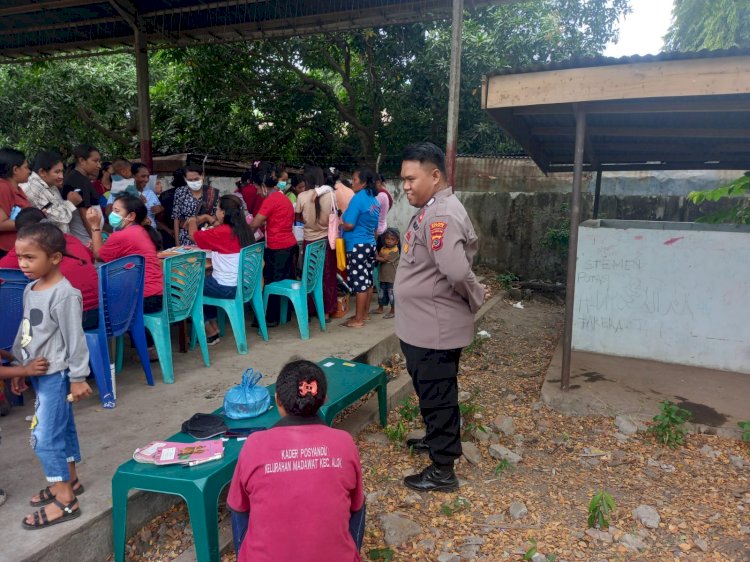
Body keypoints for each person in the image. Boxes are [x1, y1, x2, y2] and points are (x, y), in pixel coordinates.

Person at [394, 142, 486, 492]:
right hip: (421, 326)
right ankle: (435, 439)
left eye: (410, 179)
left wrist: (475, 296)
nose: (405, 186)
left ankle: (443, 468)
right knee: (430, 390)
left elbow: (456, 271)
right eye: (402, 179)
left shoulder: (442, 214)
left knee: (438, 395)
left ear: (435, 176)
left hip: (433, 329)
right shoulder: (432, 208)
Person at [227, 359, 365, 562]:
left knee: (240, 509)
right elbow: (356, 506)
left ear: (277, 400)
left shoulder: (254, 445)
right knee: (359, 501)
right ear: (324, 398)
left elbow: (239, 508)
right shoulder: (344, 442)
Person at [11, 222, 93, 529]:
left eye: (30, 258)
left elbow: (76, 338)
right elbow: (27, 330)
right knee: (63, 429)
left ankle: (65, 500)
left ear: (55, 257)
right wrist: (20, 366)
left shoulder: (65, 295)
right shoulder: (30, 289)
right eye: (19, 257)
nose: (22, 264)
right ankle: (69, 479)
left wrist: (78, 376)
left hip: (57, 375)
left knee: (44, 438)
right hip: (38, 374)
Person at [86, 195, 163, 359]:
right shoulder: (140, 231)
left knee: (96, 311)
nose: (111, 215)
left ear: (131, 216)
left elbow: (98, 255)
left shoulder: (123, 235)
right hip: (155, 294)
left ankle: (106, 358)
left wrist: (95, 226)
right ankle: (147, 347)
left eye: (116, 211)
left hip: (143, 298)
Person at [0, 208, 99, 329]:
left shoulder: (29, 246)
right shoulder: (69, 238)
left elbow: (2, 271)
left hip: (68, 321)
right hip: (98, 314)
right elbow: (90, 260)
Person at [186, 194, 254, 345]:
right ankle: (213, 326)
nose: (216, 211)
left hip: (228, 287)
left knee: (191, 287)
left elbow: (193, 235)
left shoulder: (223, 232)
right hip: (245, 283)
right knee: (206, 279)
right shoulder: (244, 229)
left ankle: (208, 331)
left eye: (217, 209)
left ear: (223, 213)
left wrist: (192, 221)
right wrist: (209, 219)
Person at [250, 174, 298, 326]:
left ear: (264, 186)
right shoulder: (284, 198)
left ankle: (270, 318)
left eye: (257, 188)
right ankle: (284, 314)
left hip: (277, 246)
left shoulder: (271, 199)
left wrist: (242, 234)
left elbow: (255, 223)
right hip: (289, 244)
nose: (257, 192)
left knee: (272, 283)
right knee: (283, 279)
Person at [295, 166, 338, 319]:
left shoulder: (301, 197)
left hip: (309, 241)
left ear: (307, 180)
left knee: (310, 276)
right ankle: (326, 311)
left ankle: (311, 308)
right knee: (327, 275)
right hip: (327, 241)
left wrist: (308, 221)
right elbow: (335, 215)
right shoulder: (332, 195)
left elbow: (298, 217)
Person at [340, 168, 381, 328]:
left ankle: (358, 320)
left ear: (363, 182)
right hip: (370, 244)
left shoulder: (358, 198)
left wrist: (341, 224)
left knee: (359, 283)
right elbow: (375, 229)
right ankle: (364, 315)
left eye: (355, 179)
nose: (352, 182)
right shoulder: (374, 201)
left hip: (357, 244)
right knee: (368, 281)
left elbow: (349, 225)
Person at [22, 151, 81, 234]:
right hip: (49, 242)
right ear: (42, 172)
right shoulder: (33, 188)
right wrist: (71, 203)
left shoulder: (50, 184)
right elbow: (58, 219)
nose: (61, 176)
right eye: (57, 172)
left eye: (62, 172)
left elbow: (57, 208)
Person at [62, 144, 101, 245]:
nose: (99, 165)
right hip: (86, 237)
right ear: (82, 161)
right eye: (95, 161)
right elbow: (85, 214)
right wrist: (96, 240)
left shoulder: (81, 178)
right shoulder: (78, 180)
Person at [171, 165, 220, 246]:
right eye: (190, 180)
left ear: (202, 176)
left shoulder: (212, 193)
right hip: (185, 238)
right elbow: (176, 218)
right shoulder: (180, 192)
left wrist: (205, 218)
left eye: (196, 179)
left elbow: (217, 215)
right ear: (184, 178)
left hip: (207, 235)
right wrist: (177, 243)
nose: (193, 182)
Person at [107, 163, 162, 228]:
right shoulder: (120, 192)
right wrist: (135, 203)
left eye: (148, 176)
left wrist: (160, 209)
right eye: (143, 176)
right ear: (132, 176)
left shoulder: (150, 192)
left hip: (149, 233)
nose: (146, 180)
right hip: (128, 233)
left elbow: (159, 211)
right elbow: (108, 211)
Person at [0, 147, 32, 257]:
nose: (29, 171)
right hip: (6, 251)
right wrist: (31, 221)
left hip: (18, 247)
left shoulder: (17, 189)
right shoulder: (2, 188)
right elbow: (1, 224)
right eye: (26, 167)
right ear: (15, 170)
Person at [373, 227, 399, 318]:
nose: (389, 241)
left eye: (392, 239)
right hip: (383, 276)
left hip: (391, 277)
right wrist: (379, 256)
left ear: (396, 241)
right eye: (387, 238)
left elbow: (384, 259)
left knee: (391, 293)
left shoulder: (395, 250)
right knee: (381, 292)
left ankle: (393, 310)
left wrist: (375, 256)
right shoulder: (384, 248)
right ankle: (380, 308)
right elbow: (381, 256)